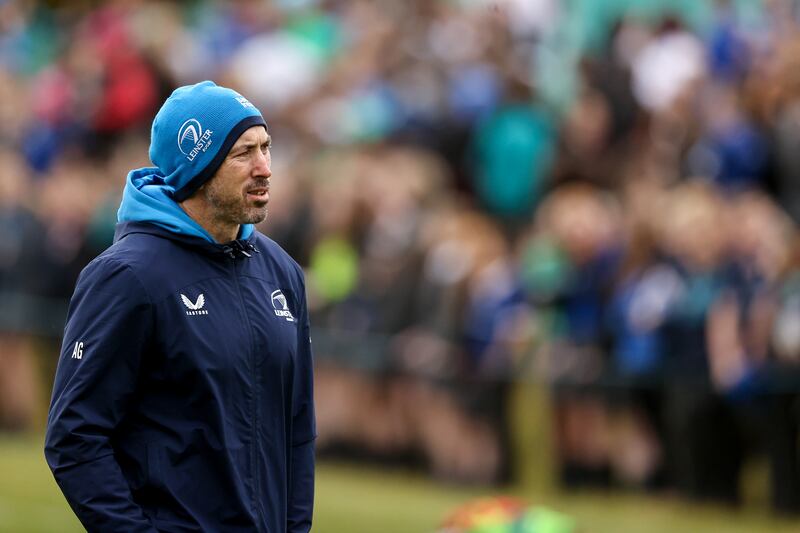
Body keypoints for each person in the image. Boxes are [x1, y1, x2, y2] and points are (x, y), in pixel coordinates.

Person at [44, 81, 316, 532]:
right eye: (242, 153)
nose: (265, 167)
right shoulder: (127, 276)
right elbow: (75, 437)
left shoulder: (282, 272)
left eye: (266, 147)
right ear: (198, 166)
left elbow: (299, 430)